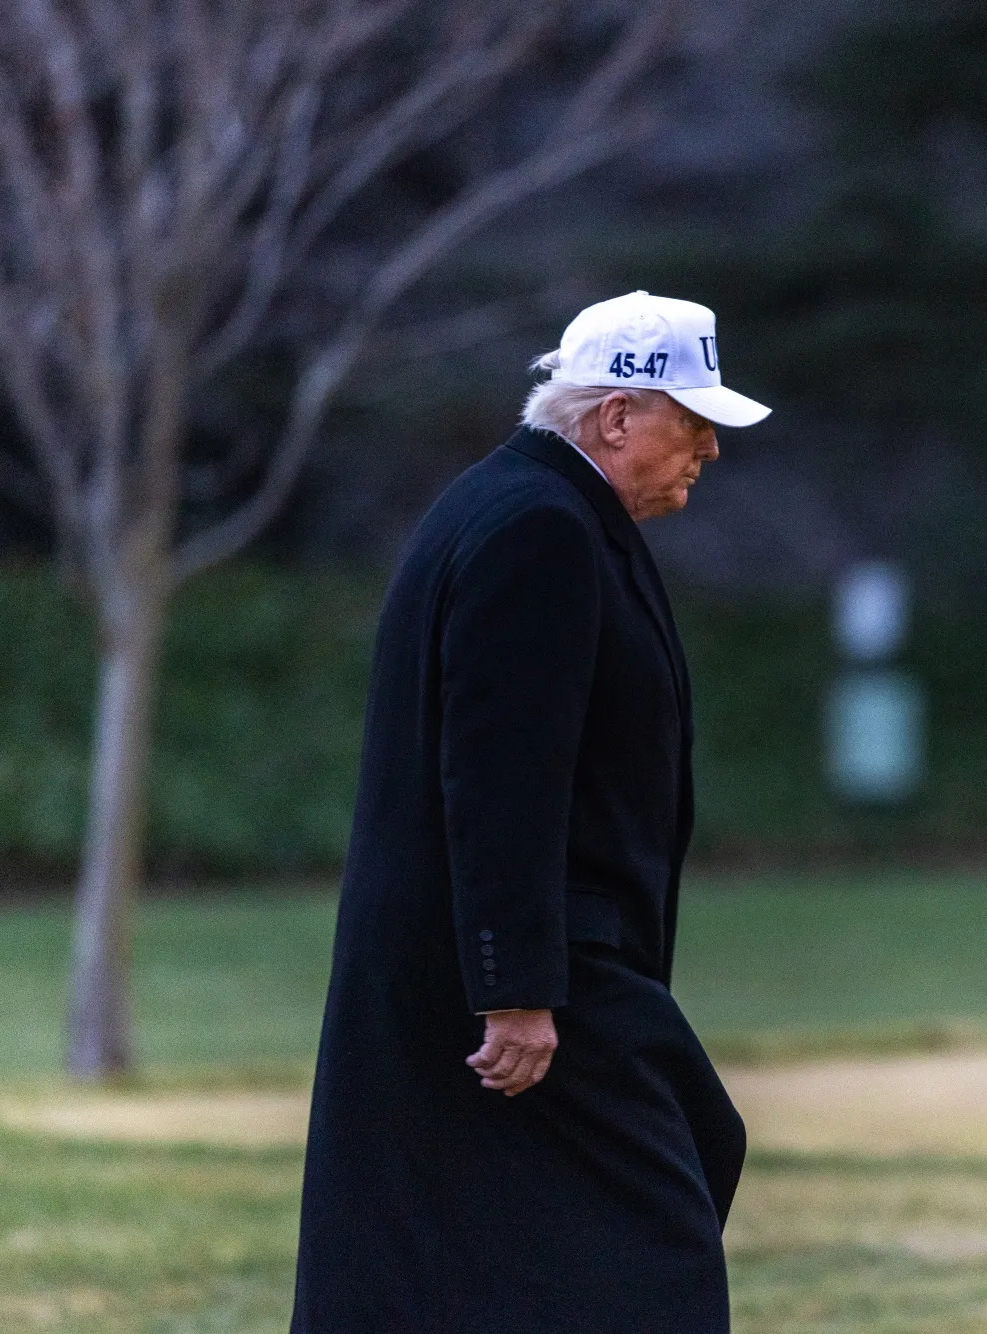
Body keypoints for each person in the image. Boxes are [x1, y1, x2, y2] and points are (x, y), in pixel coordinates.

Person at [291, 292, 770, 1332]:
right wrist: (514, 986)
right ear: (612, 417)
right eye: (689, 422)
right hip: (530, 965)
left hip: (513, 955)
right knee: (654, 1228)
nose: (706, 450)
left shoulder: (522, 506)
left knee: (472, 1241)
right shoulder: (539, 529)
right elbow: (498, 769)